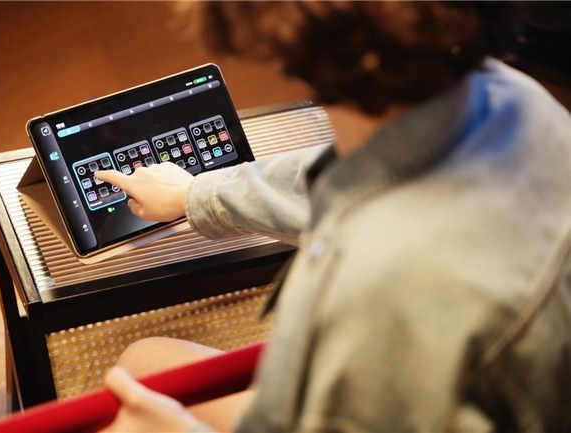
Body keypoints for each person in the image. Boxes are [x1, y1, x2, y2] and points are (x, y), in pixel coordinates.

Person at [94, 1, 571, 432]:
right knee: (146, 360)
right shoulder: (518, 96)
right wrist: (198, 193)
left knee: (136, 381)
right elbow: (361, 170)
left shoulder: (363, 291)